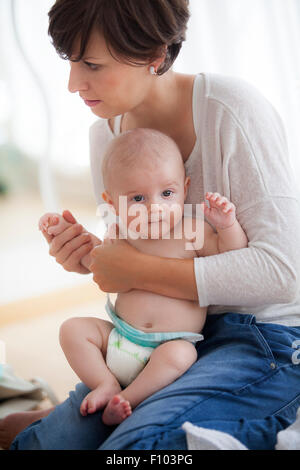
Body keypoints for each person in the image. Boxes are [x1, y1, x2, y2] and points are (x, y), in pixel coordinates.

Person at [1, 0, 300, 450]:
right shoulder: (105, 133)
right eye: (70, 62)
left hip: (262, 334)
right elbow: (131, 254)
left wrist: (134, 270)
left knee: (142, 446)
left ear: (154, 54)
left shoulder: (231, 109)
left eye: (92, 65)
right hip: (161, 341)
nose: (72, 84)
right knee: (55, 442)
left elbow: (283, 273)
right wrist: (89, 257)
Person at [38, 128, 248, 426]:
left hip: (167, 346)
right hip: (119, 336)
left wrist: (227, 226)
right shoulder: (122, 234)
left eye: (167, 193)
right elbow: (94, 261)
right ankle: (104, 383)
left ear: (184, 188)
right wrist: (61, 232)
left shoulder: (192, 230)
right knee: (72, 329)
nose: (154, 208)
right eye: (137, 198)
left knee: (182, 355)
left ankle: (128, 399)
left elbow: (233, 255)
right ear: (112, 203)